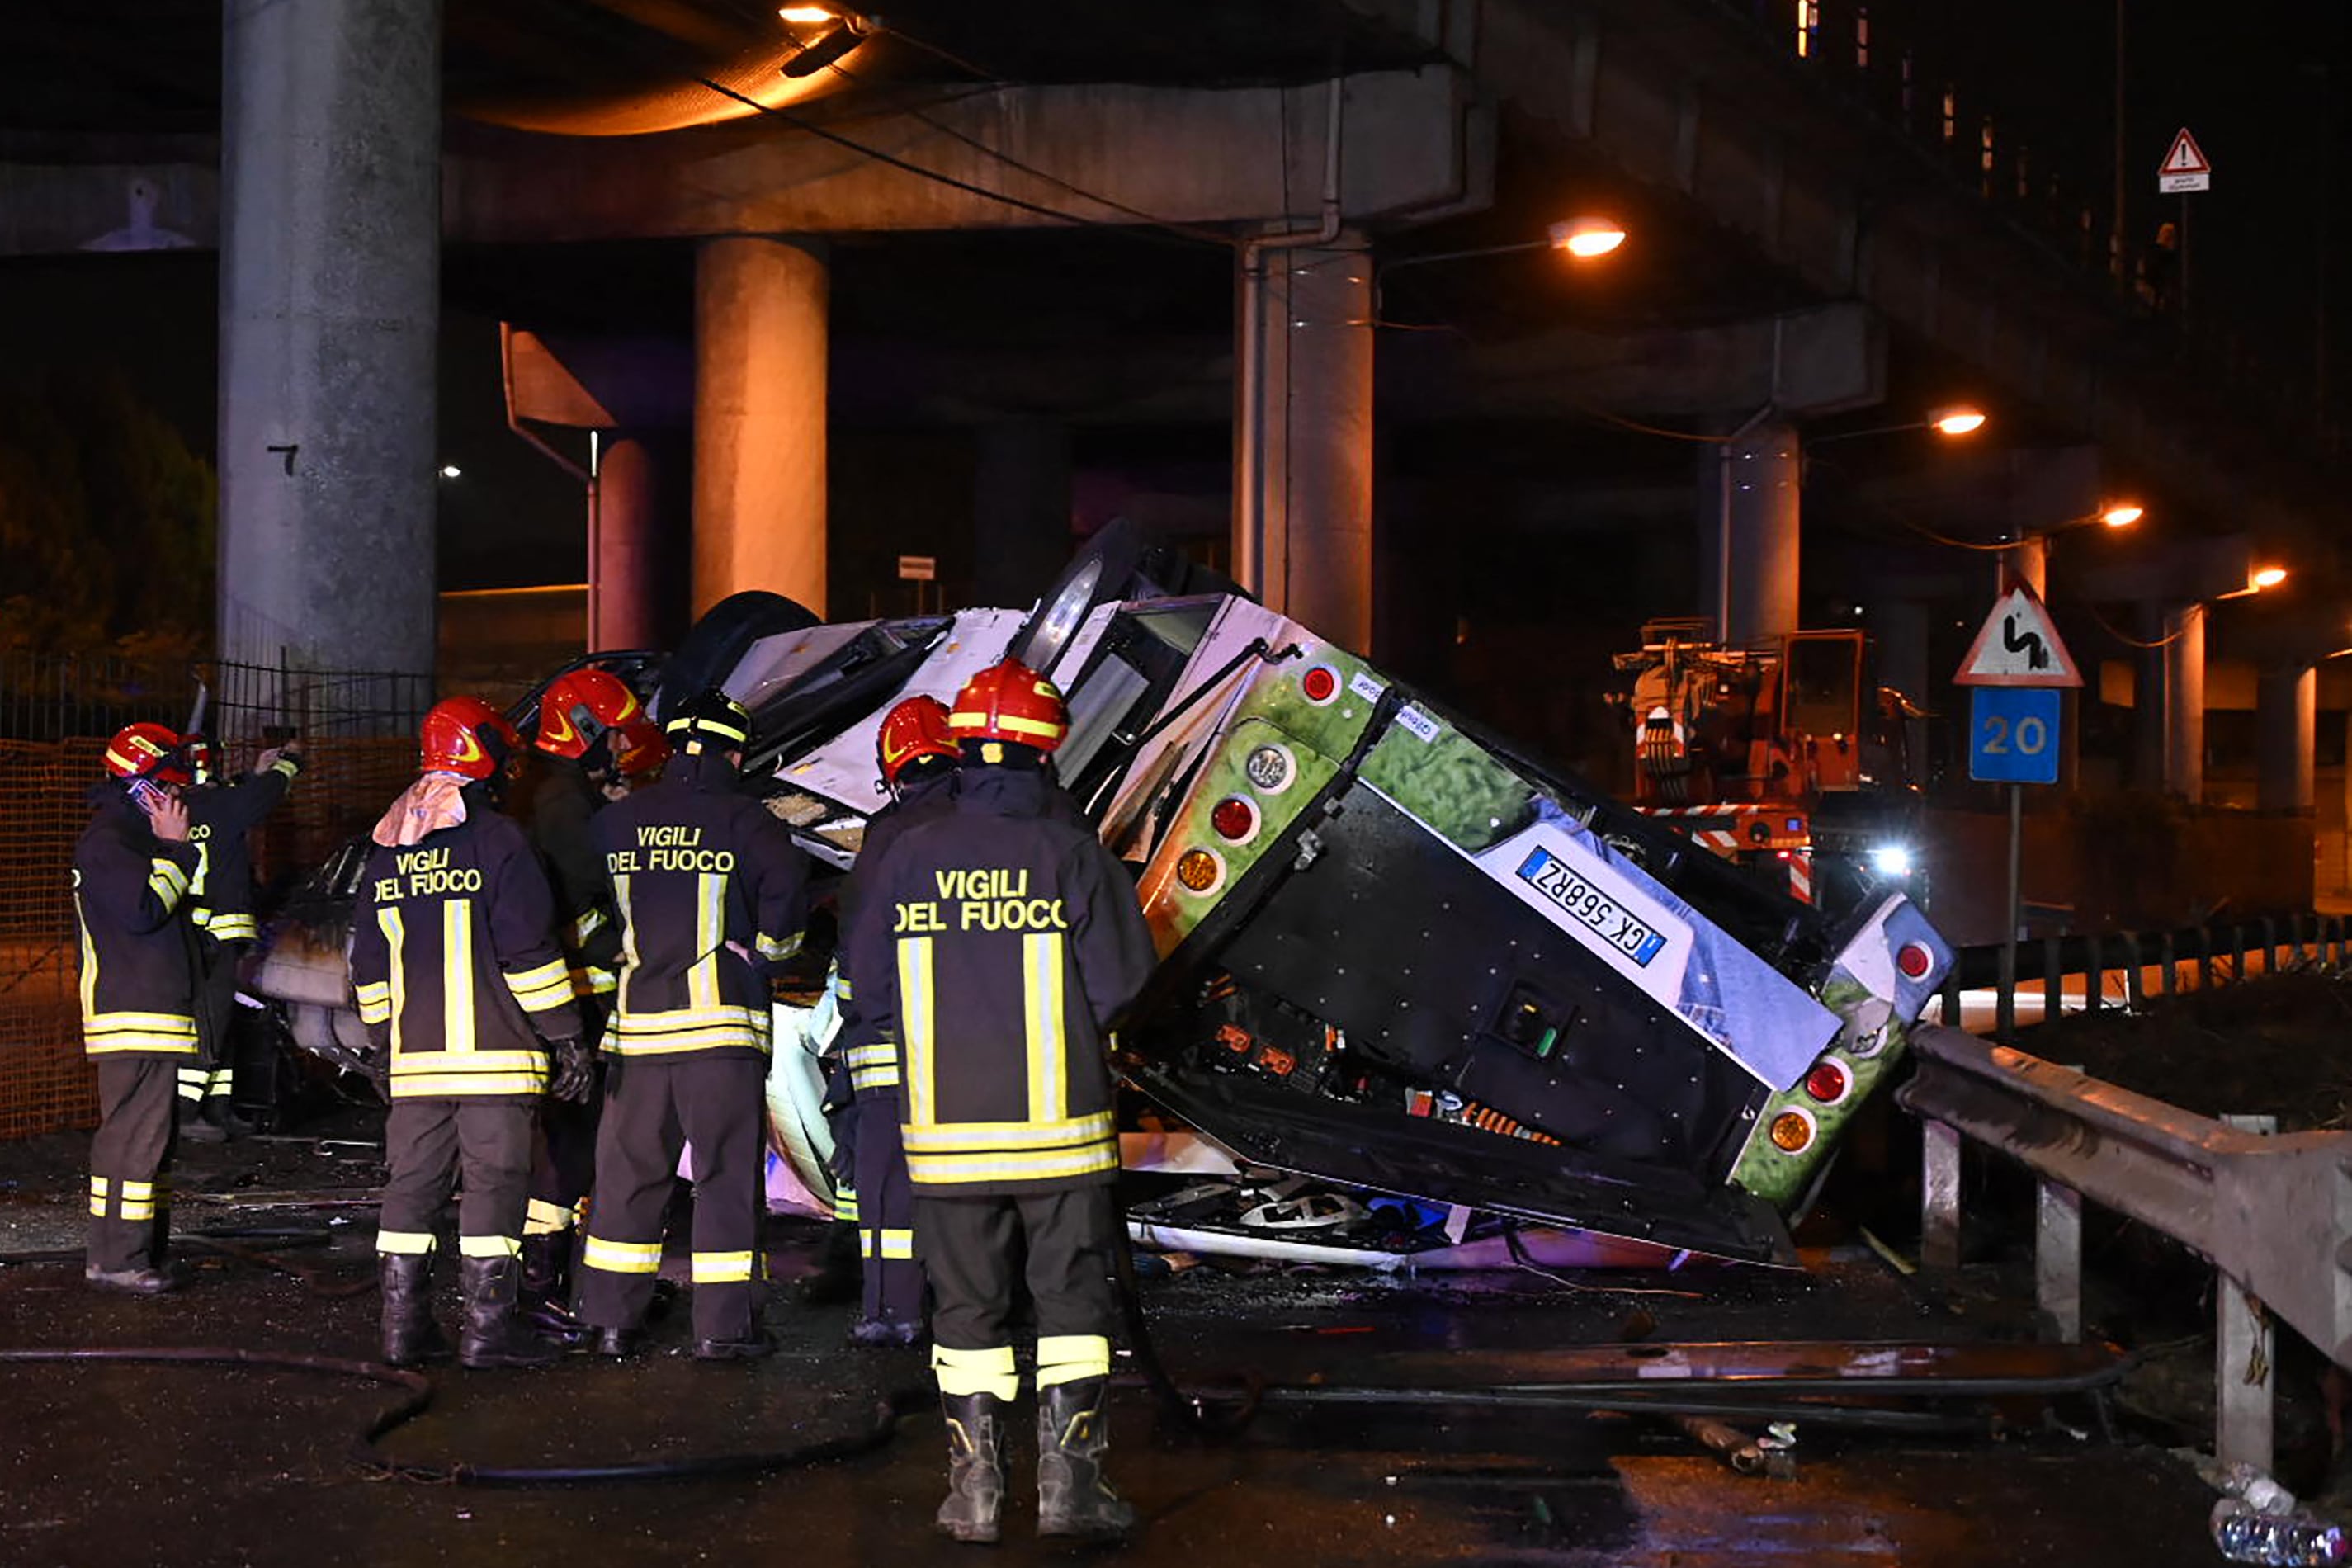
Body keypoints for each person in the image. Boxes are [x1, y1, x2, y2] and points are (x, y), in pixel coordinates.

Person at [847, 659, 1158, 1543]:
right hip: (1060, 1131)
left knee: (966, 1307)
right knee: (1070, 1304)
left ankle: (975, 1496)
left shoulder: (906, 853)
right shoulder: (1070, 852)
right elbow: (1124, 982)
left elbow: (867, 987)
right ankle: (1071, 1492)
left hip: (946, 1137)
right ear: (1043, 754)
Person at [349, 697, 593, 1369]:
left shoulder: (387, 852)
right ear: (485, 754)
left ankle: (403, 1332)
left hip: (415, 1064)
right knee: (494, 1189)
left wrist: (380, 1042)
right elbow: (529, 952)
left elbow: (367, 963)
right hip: (494, 1062)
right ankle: (487, 1337)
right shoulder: (500, 841)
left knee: (412, 1189)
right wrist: (567, 1036)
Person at [577, 689, 810, 1361]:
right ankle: (723, 1330)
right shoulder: (750, 822)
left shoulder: (618, 822)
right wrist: (764, 958)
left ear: (676, 746)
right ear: (735, 753)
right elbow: (784, 917)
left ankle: (612, 1323)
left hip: (638, 1036)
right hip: (720, 1037)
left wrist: (615, 952)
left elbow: (576, 906)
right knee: (725, 1180)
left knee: (627, 1179)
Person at [508, 668, 642, 1329]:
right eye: (612, 733)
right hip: (573, 992)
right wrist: (623, 822)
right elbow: (598, 882)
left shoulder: (553, 792)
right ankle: (542, 1280)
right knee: (571, 1138)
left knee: (566, 1137)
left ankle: (545, 1275)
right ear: (584, 730)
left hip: (561, 989)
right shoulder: (563, 804)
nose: (620, 746)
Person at [834, 694, 962, 1346]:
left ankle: (891, 1309)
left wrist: (859, 1013)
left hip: (891, 1039)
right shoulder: (983, 822)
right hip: (972, 1041)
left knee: (887, 1179)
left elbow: (860, 940)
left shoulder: (887, 834)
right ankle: (969, 1302)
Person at [76, 722, 203, 1293]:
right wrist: (178, 851)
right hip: (137, 1014)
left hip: (146, 1013)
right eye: (169, 788)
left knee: (139, 1140)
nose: (178, 800)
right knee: (136, 1140)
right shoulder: (113, 842)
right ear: (143, 787)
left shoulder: (123, 838)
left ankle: (123, 1253)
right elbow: (143, 911)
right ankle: (121, 1260)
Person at [173, 732, 303, 1141]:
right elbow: (261, 796)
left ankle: (216, 1109)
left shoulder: (188, 807)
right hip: (214, 937)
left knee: (220, 1024)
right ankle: (187, 1113)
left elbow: (235, 796)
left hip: (195, 935)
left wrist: (253, 774)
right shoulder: (219, 805)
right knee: (209, 1024)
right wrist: (289, 764)